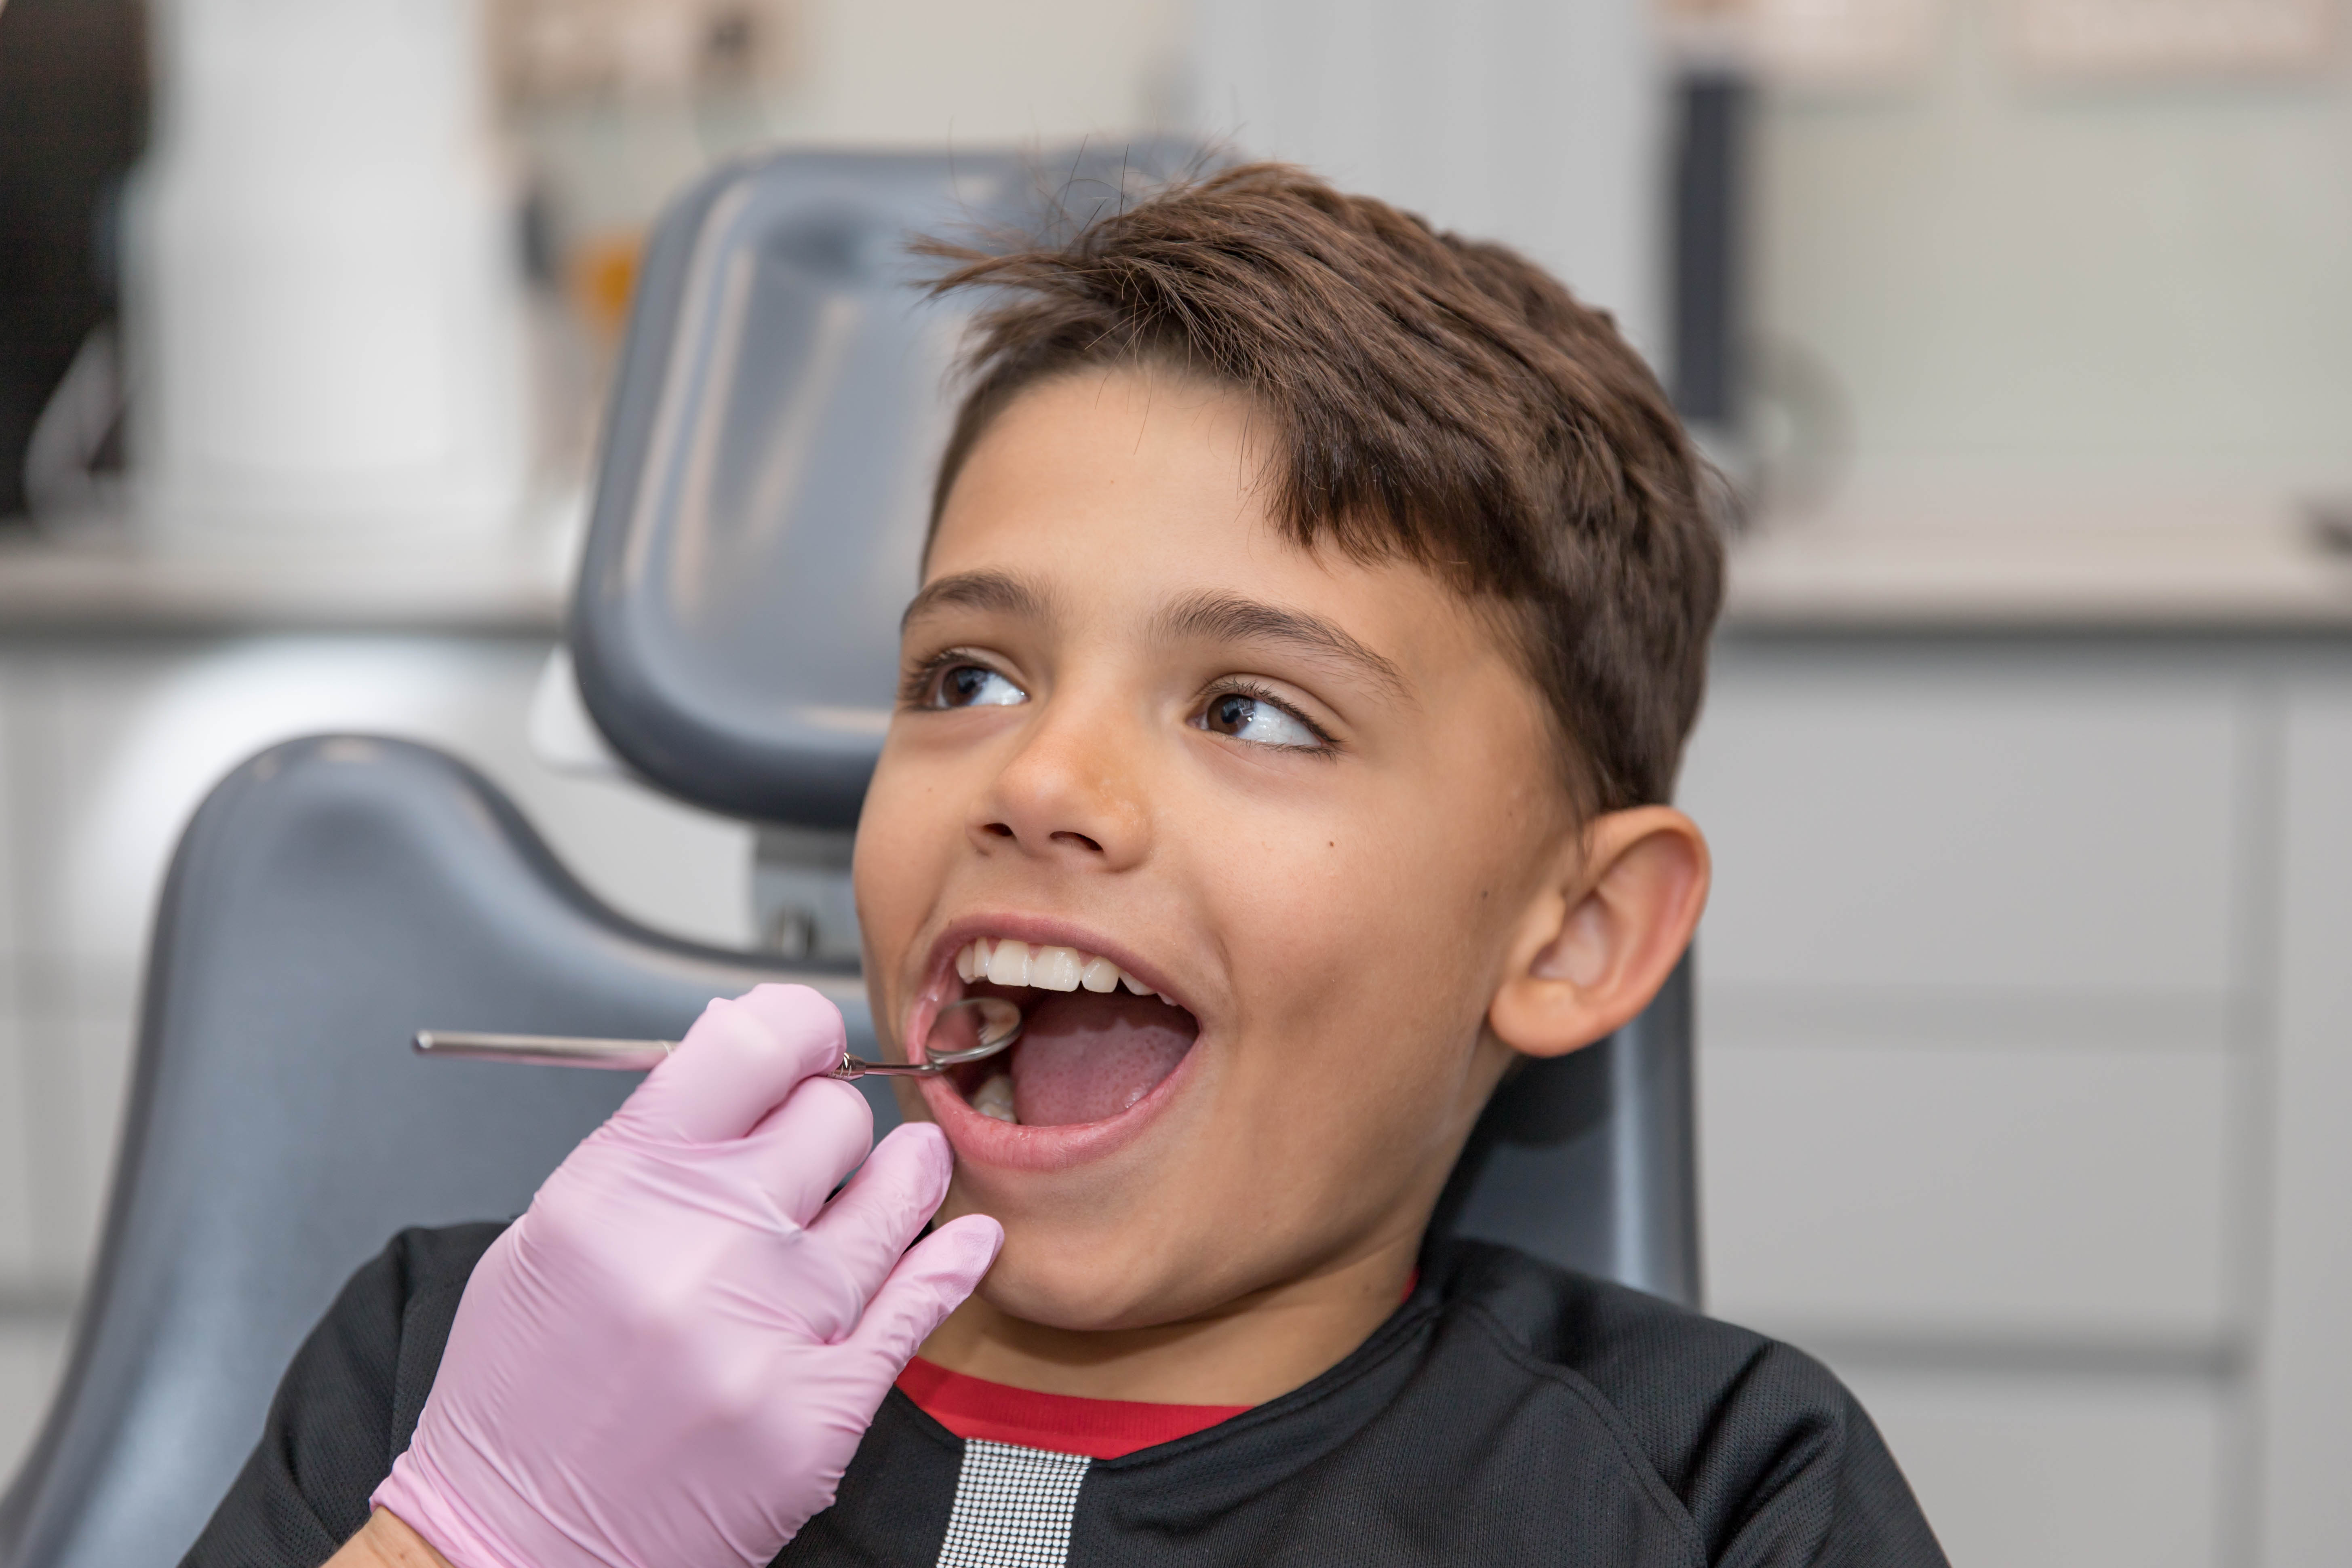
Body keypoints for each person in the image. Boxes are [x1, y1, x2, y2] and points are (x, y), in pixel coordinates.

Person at [186, 164, 1946, 1568]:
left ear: (1575, 933)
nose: (1037, 779)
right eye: (968, 678)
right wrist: (476, 1540)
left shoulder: (1716, 1496)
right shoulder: (463, 1377)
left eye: (1253, 711)